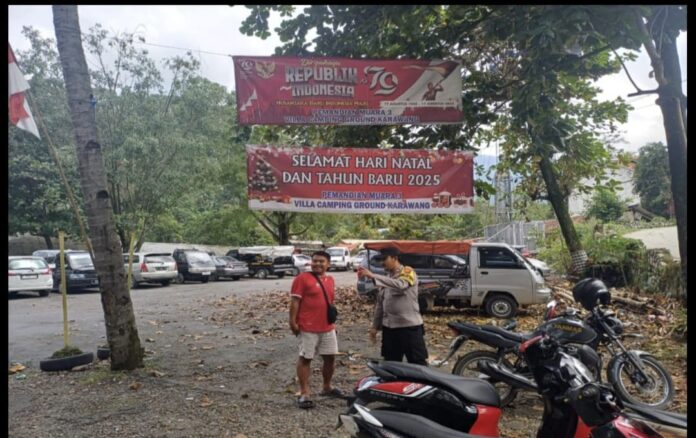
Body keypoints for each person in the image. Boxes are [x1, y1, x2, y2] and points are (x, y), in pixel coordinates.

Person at [289, 250, 343, 409]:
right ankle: (304, 393)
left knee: (330, 358)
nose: (317, 264)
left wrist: (332, 322)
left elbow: (329, 302)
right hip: (308, 327)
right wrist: (292, 322)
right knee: (306, 358)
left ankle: (327, 387)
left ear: (328, 264)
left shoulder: (330, 280)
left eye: (321, 261)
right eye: (315, 261)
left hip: (327, 327)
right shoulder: (302, 278)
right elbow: (295, 301)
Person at [357, 247, 429, 366]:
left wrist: (373, 276)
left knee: (418, 363)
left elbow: (401, 285)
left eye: (384, 259)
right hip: (390, 328)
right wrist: (374, 327)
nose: (382, 263)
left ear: (394, 258)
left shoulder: (407, 272)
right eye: (380, 260)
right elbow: (380, 305)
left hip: (409, 327)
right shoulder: (387, 278)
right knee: (391, 363)